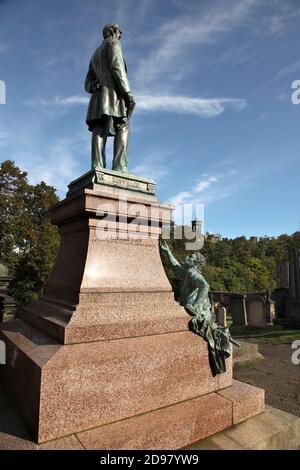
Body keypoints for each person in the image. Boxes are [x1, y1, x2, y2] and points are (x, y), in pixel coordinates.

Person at [160, 241, 239, 375]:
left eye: (191, 257)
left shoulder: (192, 272)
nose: (187, 258)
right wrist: (168, 252)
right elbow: (176, 267)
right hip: (190, 309)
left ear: (195, 263)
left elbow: (205, 286)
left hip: (195, 311)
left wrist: (194, 305)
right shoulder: (187, 272)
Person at [85, 23, 135, 173]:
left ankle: (97, 166)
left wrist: (95, 86)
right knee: (123, 124)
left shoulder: (95, 54)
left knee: (99, 129)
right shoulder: (113, 42)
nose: (120, 35)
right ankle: (120, 167)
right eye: (119, 32)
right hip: (114, 94)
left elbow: (87, 83)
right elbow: (116, 65)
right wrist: (127, 92)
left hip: (98, 97)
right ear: (113, 31)